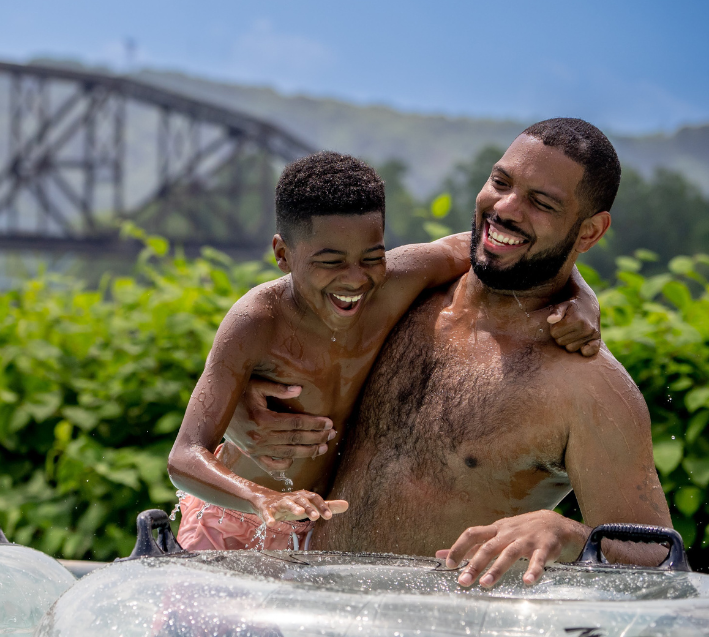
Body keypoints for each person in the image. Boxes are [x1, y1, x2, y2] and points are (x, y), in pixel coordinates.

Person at [228, 118, 672, 586]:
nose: (505, 208)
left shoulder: (588, 387)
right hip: (307, 611)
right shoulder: (396, 294)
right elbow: (276, 319)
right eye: (500, 182)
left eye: (542, 203)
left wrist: (570, 533)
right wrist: (241, 411)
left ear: (589, 233)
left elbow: (661, 563)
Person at [167, 151, 602, 551]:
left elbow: (502, 245)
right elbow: (184, 456)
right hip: (232, 517)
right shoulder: (257, 322)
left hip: (314, 533)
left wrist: (583, 297)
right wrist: (263, 499)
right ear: (283, 254)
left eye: (371, 257)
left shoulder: (399, 280)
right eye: (331, 261)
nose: (355, 279)